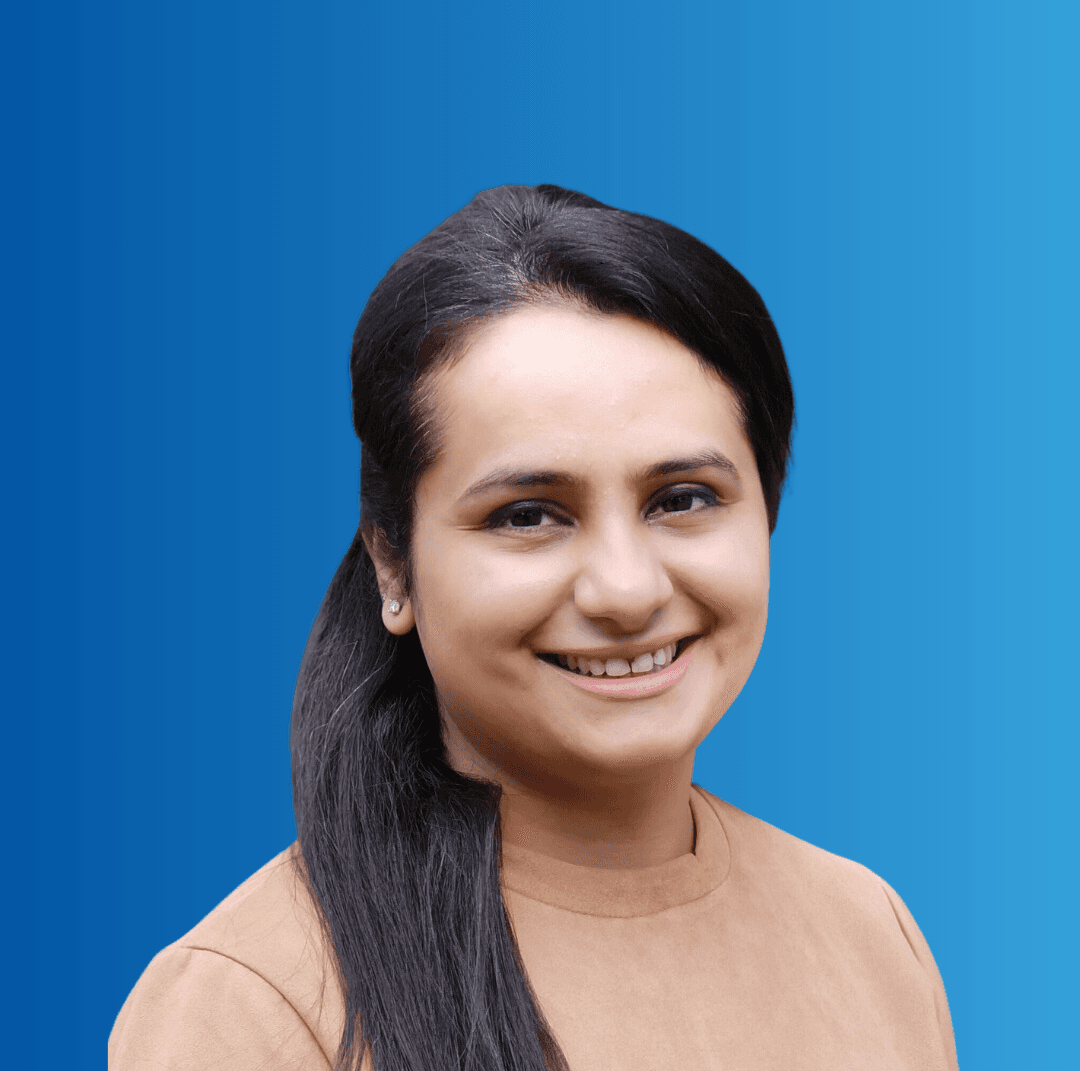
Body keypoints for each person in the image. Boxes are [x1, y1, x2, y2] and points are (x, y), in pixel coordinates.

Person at [110, 184, 958, 1071]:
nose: (626, 591)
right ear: (392, 565)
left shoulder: (869, 934)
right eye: (528, 515)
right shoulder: (255, 1004)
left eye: (683, 499)